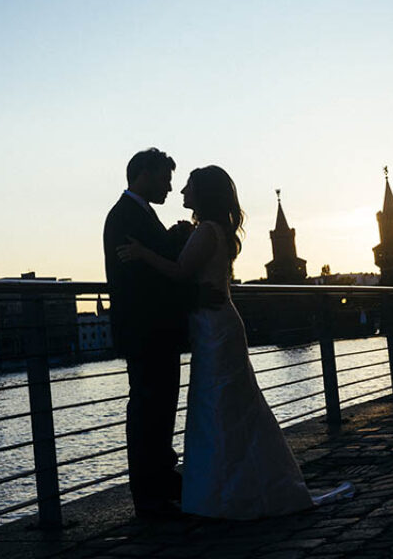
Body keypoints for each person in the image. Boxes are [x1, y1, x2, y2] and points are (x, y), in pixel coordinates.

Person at [118, 165, 314, 520]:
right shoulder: (212, 230)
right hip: (215, 326)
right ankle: (240, 483)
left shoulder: (206, 230)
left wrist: (143, 254)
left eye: (188, 187)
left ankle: (224, 489)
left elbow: (179, 272)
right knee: (230, 405)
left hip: (213, 329)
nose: (181, 192)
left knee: (218, 406)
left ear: (203, 193)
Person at [103, 148, 193, 519]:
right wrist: (179, 238)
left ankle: (159, 484)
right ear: (144, 174)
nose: (170, 187)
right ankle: (150, 494)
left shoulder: (133, 213)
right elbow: (153, 271)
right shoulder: (126, 216)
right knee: (148, 410)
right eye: (165, 178)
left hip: (151, 330)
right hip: (147, 330)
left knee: (156, 409)